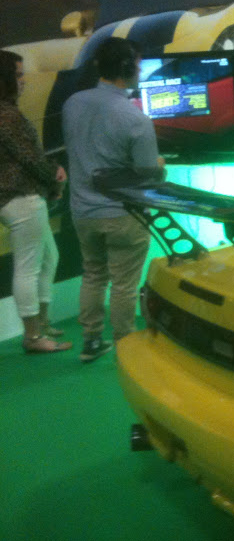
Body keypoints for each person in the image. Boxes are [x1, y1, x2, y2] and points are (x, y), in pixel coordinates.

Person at [62, 37, 165, 363]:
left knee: (93, 275)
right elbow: (147, 172)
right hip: (124, 214)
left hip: (83, 212)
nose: (140, 71)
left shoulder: (72, 103)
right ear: (127, 67)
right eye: (138, 65)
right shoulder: (135, 118)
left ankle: (91, 341)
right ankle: (125, 346)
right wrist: (160, 165)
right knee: (124, 284)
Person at [0, 51, 72, 353]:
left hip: (17, 197)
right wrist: (54, 175)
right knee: (28, 267)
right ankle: (32, 337)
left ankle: (41, 323)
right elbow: (30, 158)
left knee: (48, 257)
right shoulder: (7, 115)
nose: (23, 81)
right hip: (21, 197)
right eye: (18, 75)